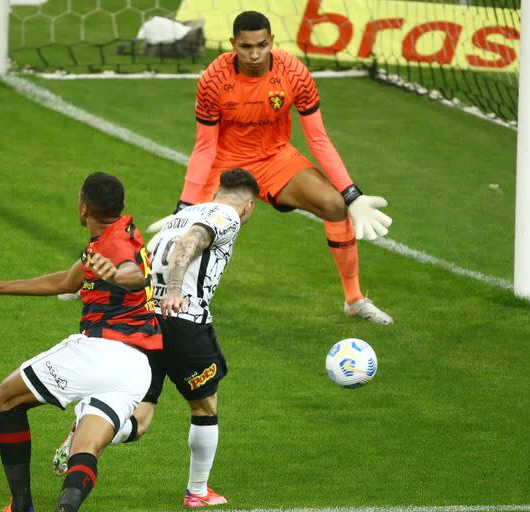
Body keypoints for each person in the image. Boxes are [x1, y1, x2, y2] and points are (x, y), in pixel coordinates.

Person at [0, 172, 161, 512]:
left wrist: (116, 275)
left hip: (100, 351)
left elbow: (133, 274)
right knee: (87, 444)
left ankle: (21, 509)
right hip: (137, 368)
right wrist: (0, 287)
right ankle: (63, 510)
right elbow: (67, 283)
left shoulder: (114, 252)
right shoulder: (121, 236)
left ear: (83, 207)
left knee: (5, 398)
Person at [148, 10, 394, 324]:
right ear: (233, 44)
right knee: (188, 233)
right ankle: (111, 283)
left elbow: (318, 138)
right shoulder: (213, 79)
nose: (254, 54)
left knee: (334, 205)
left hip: (276, 159)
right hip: (229, 166)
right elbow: (205, 146)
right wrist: (184, 206)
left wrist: (352, 194)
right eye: (246, 47)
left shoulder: (294, 72)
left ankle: (354, 300)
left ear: (272, 41)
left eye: (262, 45)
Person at [54, 167, 259, 508]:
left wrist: (92, 284)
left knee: (141, 417)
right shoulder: (227, 216)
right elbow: (188, 244)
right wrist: (176, 289)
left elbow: (142, 258)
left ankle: (84, 431)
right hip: (184, 321)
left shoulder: (184, 212)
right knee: (205, 407)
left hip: (146, 321)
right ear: (248, 206)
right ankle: (198, 492)